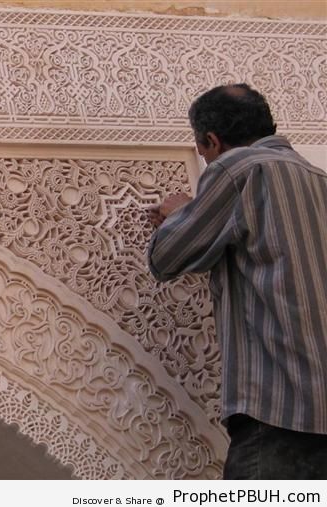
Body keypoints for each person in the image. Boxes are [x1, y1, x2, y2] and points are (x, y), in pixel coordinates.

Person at [147, 83, 327, 479]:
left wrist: (179, 212)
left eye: (202, 149)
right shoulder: (319, 179)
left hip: (278, 408)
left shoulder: (239, 168)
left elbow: (167, 257)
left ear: (212, 140)